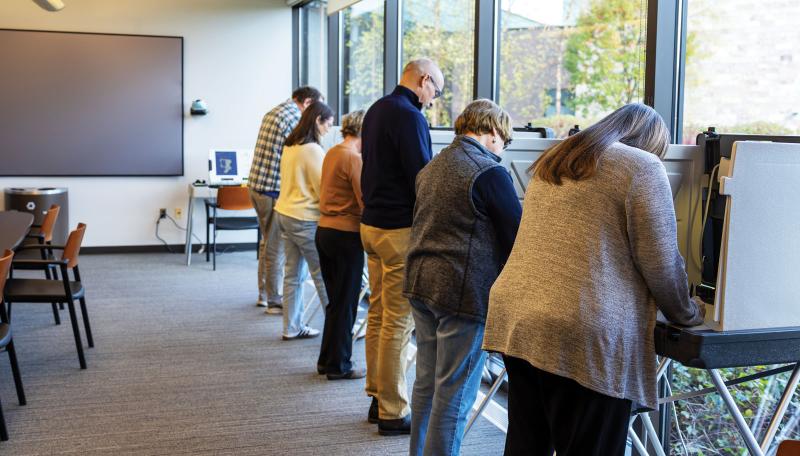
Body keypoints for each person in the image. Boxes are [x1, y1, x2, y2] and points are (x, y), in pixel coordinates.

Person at [482, 103, 706, 456]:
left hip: (519, 316)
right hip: (581, 329)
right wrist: (689, 313)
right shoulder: (642, 166)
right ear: (651, 143)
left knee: (528, 443)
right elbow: (661, 263)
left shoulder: (558, 159)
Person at [404, 99, 522, 456]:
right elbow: (518, 234)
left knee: (426, 384)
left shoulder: (432, 166)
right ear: (491, 132)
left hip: (421, 283)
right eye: (504, 139)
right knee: (454, 394)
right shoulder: (489, 173)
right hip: (461, 293)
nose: (502, 148)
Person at [360, 58, 443, 436]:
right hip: (397, 230)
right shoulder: (410, 116)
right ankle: (393, 411)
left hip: (371, 226)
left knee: (378, 315)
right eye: (435, 91)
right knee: (397, 321)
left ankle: (378, 396)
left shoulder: (377, 108)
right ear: (424, 80)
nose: (432, 100)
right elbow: (422, 176)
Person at [248, 86, 323, 315]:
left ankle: (264, 294)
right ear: (307, 103)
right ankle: (273, 300)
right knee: (274, 246)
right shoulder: (293, 117)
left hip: (258, 186)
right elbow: (302, 151)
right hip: (272, 189)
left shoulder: (275, 111)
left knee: (267, 242)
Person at [273, 101, 334, 340]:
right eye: (328, 123)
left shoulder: (291, 145)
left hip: (285, 213)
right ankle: (338, 329)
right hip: (305, 219)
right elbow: (324, 189)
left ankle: (291, 327)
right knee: (322, 275)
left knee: (292, 275)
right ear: (317, 120)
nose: (329, 129)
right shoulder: (312, 150)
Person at [315, 110, 367, 380]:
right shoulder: (353, 158)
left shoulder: (333, 151)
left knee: (336, 302)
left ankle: (327, 360)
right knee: (346, 303)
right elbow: (364, 200)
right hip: (346, 235)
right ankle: (340, 365)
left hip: (324, 231)